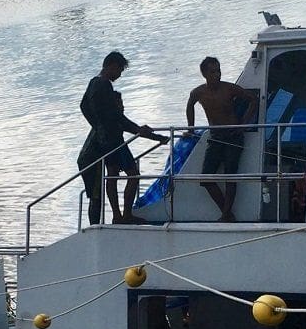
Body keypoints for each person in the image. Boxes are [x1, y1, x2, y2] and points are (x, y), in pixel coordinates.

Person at [77, 51, 168, 225]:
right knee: (133, 175)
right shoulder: (104, 84)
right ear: (111, 65)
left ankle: (118, 215)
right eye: (119, 70)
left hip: (104, 138)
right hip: (113, 139)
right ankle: (124, 214)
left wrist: (96, 125)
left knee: (112, 175)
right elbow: (117, 117)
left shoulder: (93, 82)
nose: (119, 75)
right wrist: (143, 131)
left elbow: (83, 106)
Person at [185, 56, 258, 222]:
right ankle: (227, 213)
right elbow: (190, 105)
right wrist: (190, 127)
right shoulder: (198, 92)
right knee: (206, 179)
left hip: (233, 136)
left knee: (230, 176)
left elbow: (253, 99)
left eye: (218, 71)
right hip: (216, 137)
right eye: (213, 72)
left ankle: (226, 215)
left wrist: (243, 124)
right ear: (204, 74)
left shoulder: (229, 89)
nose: (217, 75)